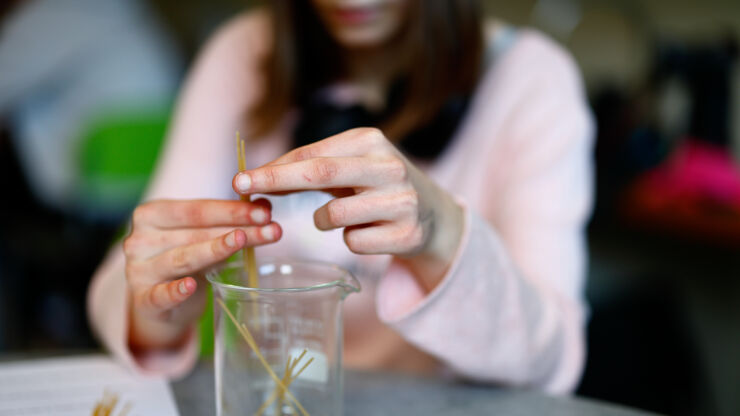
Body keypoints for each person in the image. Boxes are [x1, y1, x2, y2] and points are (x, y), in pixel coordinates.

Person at [88, 0, 594, 394]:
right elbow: (119, 285)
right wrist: (157, 308)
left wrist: (441, 232)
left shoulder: (532, 80)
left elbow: (553, 361)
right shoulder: (243, 54)